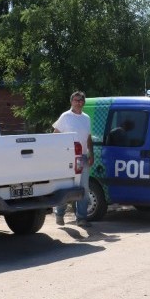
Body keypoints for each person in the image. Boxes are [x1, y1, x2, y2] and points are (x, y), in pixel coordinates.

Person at [53, 91, 94, 228]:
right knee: (66, 187)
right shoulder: (65, 116)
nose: (79, 102)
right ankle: (59, 213)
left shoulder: (86, 118)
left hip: (82, 157)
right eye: (76, 100)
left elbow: (88, 138)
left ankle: (81, 218)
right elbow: (55, 135)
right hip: (68, 158)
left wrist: (91, 154)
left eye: (81, 100)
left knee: (84, 188)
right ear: (71, 101)